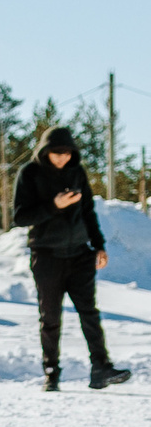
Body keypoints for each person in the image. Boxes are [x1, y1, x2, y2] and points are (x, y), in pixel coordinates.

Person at [14, 126, 130, 391]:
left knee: (89, 312)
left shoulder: (76, 172)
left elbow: (88, 211)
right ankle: (51, 373)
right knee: (51, 317)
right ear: (45, 151)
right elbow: (21, 217)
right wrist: (55, 205)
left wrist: (99, 246)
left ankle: (101, 368)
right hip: (46, 256)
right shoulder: (29, 174)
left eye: (67, 153)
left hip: (80, 254)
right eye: (57, 153)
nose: (62, 158)